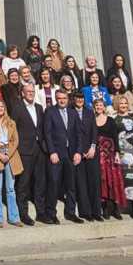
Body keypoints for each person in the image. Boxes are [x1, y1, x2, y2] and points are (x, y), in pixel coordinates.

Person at [43, 89, 84, 224]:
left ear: (68, 99)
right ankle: (51, 213)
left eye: (64, 98)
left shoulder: (72, 113)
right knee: (54, 183)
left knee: (71, 184)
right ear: (56, 99)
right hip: (56, 154)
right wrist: (52, 151)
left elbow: (79, 134)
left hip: (71, 153)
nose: (62, 100)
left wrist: (78, 151)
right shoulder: (50, 112)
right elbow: (47, 133)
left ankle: (71, 212)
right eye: (59, 98)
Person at [11, 84, 47, 226]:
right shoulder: (17, 108)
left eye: (32, 91)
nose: (31, 94)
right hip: (25, 151)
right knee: (23, 183)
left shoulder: (38, 107)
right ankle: (23, 213)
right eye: (28, 92)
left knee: (40, 182)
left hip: (39, 149)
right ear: (23, 93)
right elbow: (13, 129)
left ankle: (41, 212)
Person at [0, 99, 24, 227]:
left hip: (11, 155)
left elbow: (16, 140)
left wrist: (8, 154)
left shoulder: (11, 123)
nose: (0, 108)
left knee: (10, 188)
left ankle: (14, 217)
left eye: (2, 106)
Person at [94, 99, 126, 220]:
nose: (99, 107)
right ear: (94, 107)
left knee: (113, 181)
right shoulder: (92, 121)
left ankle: (116, 209)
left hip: (111, 154)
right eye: (97, 105)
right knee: (103, 181)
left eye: (101, 105)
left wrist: (117, 152)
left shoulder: (111, 120)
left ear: (104, 107)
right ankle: (105, 208)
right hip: (99, 156)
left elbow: (115, 137)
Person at [72, 92, 101, 221]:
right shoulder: (70, 111)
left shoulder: (89, 112)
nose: (80, 100)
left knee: (94, 182)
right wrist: (78, 151)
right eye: (77, 98)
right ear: (74, 99)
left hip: (91, 151)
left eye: (81, 98)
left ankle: (96, 212)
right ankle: (86, 212)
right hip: (77, 152)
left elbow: (94, 130)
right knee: (81, 183)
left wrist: (93, 147)